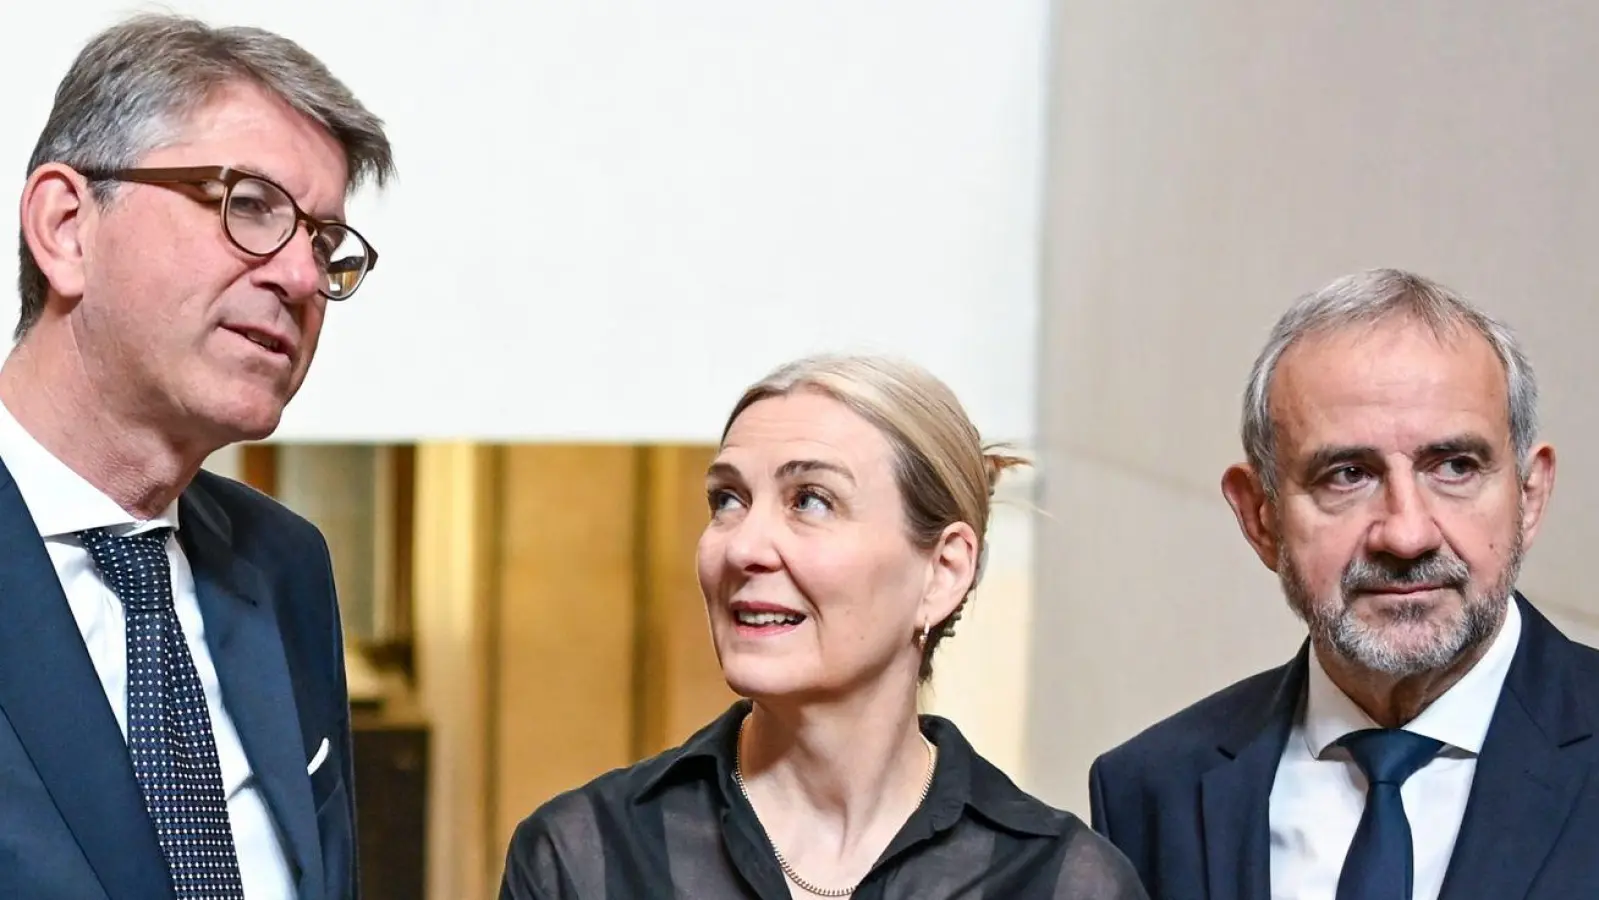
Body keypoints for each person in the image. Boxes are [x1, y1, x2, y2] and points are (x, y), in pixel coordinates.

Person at [498, 354, 1147, 899]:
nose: (744, 546)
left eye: (811, 500)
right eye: (727, 500)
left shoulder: (1062, 881)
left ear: (943, 571)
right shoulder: (586, 857)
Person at [0, 13, 393, 900]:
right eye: (248, 206)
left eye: (323, 242)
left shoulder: (284, 564)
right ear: (66, 227)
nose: (299, 278)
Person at [1088, 268, 1599, 899]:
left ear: (1529, 494)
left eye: (1456, 467)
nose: (1406, 535)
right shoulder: (1153, 790)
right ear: (1260, 516)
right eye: (1347, 475)